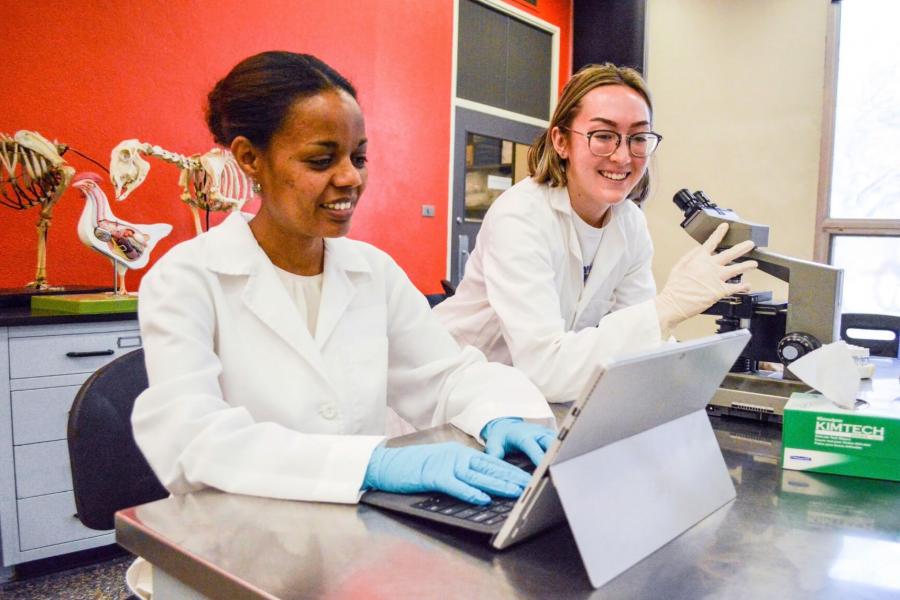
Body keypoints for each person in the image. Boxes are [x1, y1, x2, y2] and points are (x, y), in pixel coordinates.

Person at [132, 51, 557, 509]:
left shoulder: (373, 272)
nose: (350, 177)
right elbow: (193, 440)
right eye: (321, 161)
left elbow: (447, 376)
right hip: (232, 543)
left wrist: (502, 417)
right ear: (250, 158)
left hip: (355, 536)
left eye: (359, 156)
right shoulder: (185, 279)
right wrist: (370, 464)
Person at [434, 63, 757, 403]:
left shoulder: (628, 223)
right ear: (561, 141)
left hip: (520, 400)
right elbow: (546, 371)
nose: (622, 156)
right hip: (452, 394)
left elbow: (636, 344)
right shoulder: (520, 217)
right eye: (603, 136)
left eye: (638, 138)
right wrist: (669, 307)